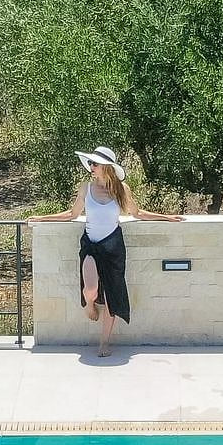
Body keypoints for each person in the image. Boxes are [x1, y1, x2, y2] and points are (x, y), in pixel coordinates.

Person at [30, 146, 183, 356]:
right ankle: (90, 305)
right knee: (90, 290)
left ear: (107, 167)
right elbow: (72, 214)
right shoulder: (86, 188)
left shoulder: (121, 189)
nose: (91, 167)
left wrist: (167, 218)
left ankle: (104, 343)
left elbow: (137, 214)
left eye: (95, 164)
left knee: (112, 295)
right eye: (90, 163)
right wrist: (41, 218)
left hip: (113, 247)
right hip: (91, 246)